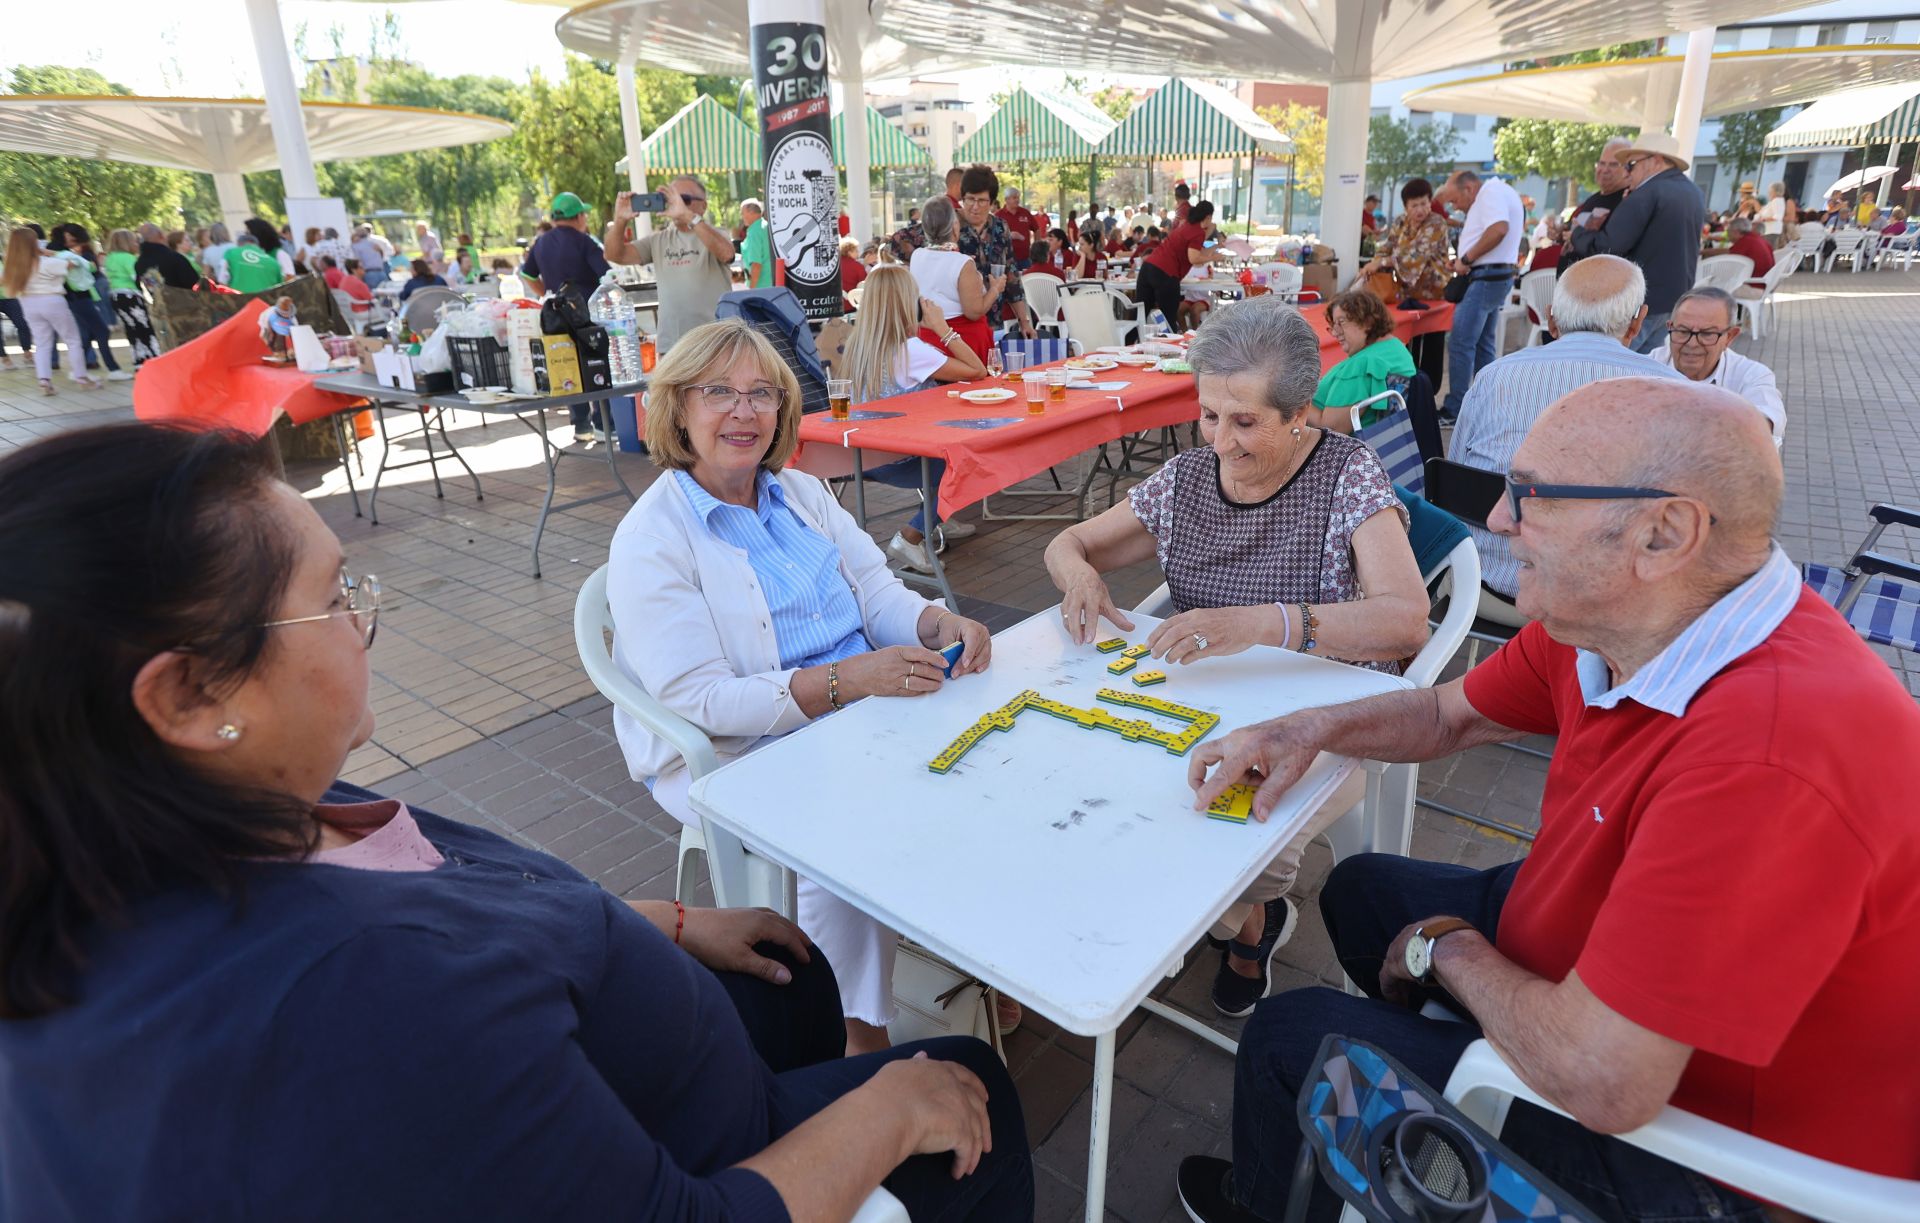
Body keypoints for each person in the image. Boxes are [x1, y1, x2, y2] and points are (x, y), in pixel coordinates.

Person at [0, 421, 1033, 1223]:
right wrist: (887, 1111)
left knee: (793, 969)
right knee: (969, 1079)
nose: (366, 617)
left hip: (642, 1052)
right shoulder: (348, 994)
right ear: (186, 696)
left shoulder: (202, 815)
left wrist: (669, 923)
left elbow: (450, 903)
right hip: (694, 1152)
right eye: (335, 595)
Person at [1174, 377, 1920, 1223]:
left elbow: (1604, 1080)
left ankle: (1302, 1185)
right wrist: (1304, 729)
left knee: (1287, 1040)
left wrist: (1447, 952)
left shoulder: (1771, 754)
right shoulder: (1630, 615)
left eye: (1531, 495)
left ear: (1663, 533)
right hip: (1595, 962)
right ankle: (1430, 1085)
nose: (1497, 518)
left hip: (1718, 1161)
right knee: (1362, 890)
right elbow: (1445, 715)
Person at [609, 319, 1002, 1053]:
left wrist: (935, 623)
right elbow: (702, 701)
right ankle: (854, 1035)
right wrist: (846, 681)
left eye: (762, 393)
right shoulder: (651, 538)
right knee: (842, 839)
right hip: (743, 744)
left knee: (991, 761)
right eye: (719, 392)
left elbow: (876, 592)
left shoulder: (799, 492)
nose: (744, 411)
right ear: (677, 407)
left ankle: (974, 953)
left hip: (860, 707)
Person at [1043, 296, 1429, 1017]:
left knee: (1235, 837)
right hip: (1203, 699)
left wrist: (1263, 623)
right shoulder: (1186, 479)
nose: (1221, 441)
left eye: (1245, 422)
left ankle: (1241, 918)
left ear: (1300, 413)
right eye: (1209, 415)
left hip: (1325, 714)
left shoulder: (1347, 473)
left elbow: (1408, 620)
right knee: (1096, 790)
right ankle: (1247, 923)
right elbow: (1069, 543)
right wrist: (1080, 578)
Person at [1449, 255, 1683, 604]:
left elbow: (1457, 478)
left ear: (1552, 320)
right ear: (1637, 323)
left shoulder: (1495, 377)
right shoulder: (1675, 392)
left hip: (1487, 588)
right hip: (1612, 600)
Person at [839, 265, 988, 572]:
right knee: (965, 463)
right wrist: (943, 328)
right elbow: (977, 371)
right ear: (907, 303)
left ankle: (939, 517)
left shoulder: (860, 345)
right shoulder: (910, 351)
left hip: (861, 456)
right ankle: (913, 535)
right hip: (899, 459)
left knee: (944, 455)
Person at [1567, 133, 1705, 354]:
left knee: (1611, 361)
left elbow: (1608, 248)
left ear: (1655, 160)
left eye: (1631, 165)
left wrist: (1577, 234)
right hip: (1674, 299)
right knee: (1643, 365)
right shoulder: (1692, 191)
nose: (1626, 172)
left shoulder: (1647, 193)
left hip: (1640, 301)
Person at [606, 178, 736, 356]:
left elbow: (727, 254)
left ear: (703, 206)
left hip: (715, 343)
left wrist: (689, 217)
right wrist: (620, 220)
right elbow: (614, 254)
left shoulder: (716, 234)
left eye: (684, 199)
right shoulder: (659, 239)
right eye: (669, 198)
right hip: (672, 347)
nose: (676, 204)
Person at [1435, 169, 1525, 419]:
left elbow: (1498, 229)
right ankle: (1485, 403)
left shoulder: (1489, 193)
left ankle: (1456, 409)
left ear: (1469, 189)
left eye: (1455, 200)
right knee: (1484, 344)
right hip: (1493, 276)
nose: (1455, 207)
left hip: (1486, 278)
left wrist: (1466, 258)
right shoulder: (1499, 191)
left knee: (1461, 342)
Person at [1648, 286, 1784, 438]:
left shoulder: (1751, 375)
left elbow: (1768, 420)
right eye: (1683, 331)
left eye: (1707, 334)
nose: (1692, 343)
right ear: (1670, 327)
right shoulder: (1646, 369)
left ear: (1730, 337)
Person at [1359, 176, 1451, 389]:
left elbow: (1415, 255)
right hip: (1405, 296)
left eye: (1424, 203)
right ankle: (1407, 391)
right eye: (1414, 205)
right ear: (1405, 207)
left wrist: (1382, 262)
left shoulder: (1437, 223)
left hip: (1434, 295)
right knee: (1406, 344)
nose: (1420, 210)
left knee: (1432, 346)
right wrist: (1374, 262)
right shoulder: (1400, 222)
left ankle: (1429, 393)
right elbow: (1386, 247)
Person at [3, 227, 97, 394]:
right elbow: (77, 263)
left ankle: (44, 380)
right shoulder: (47, 262)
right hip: (52, 300)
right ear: (33, 243)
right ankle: (82, 378)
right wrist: (51, 252)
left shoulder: (12, 268)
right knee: (72, 340)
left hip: (28, 303)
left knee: (41, 343)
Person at [1307, 289, 1415, 434]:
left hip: (1346, 445)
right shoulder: (1396, 347)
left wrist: (1294, 402)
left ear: (1368, 322)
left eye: (1341, 322)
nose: (1335, 332)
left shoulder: (1363, 365)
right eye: (1333, 325)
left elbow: (1332, 430)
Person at [909, 195, 997, 364]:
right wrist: (995, 290)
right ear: (954, 225)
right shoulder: (962, 262)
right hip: (962, 343)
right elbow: (974, 312)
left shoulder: (917, 255)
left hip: (927, 339)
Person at [955, 165, 1037, 340]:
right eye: (970, 199)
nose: (975, 207)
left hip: (993, 324)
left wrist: (1024, 321)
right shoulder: (949, 224)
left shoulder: (1000, 227)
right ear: (963, 198)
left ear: (992, 202)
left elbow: (1012, 276)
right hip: (956, 327)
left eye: (982, 201)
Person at [51, 224, 125, 381]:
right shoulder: (65, 254)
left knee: (88, 334)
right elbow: (89, 267)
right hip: (78, 297)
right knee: (101, 331)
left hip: (77, 297)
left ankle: (79, 369)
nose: (70, 239)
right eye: (68, 236)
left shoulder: (66, 252)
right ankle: (112, 369)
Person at [1136, 198, 1220, 330]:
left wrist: (1214, 242)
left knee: (1139, 316)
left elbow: (1198, 249)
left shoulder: (1186, 225)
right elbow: (1194, 258)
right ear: (1208, 217)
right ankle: (1170, 342)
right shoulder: (1197, 232)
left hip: (1148, 267)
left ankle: (1128, 341)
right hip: (1166, 273)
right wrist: (1215, 257)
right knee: (1169, 320)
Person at [1556, 138, 1631, 275]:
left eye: (1613, 165)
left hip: (1599, 280)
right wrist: (1560, 232)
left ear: (1627, 169)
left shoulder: (1627, 201)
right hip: (1572, 278)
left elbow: (1610, 244)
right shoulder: (1593, 199)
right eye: (1601, 163)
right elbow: (1573, 231)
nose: (1604, 170)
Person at [102, 229, 158, 366]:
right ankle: (153, 357)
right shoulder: (128, 258)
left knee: (131, 329)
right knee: (144, 328)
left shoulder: (110, 258)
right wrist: (154, 286)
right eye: (134, 241)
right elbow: (137, 277)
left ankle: (139, 360)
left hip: (116, 296)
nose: (137, 243)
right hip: (130, 296)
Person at [1703, 214, 1774, 292]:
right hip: (1763, 283)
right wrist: (1702, 252)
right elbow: (1728, 251)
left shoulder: (1746, 241)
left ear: (1736, 232)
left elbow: (1728, 267)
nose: (1728, 235)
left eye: (1728, 231)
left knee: (1707, 286)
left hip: (1753, 286)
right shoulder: (1755, 238)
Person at [135, 221, 199, 290]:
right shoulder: (175, 258)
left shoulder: (139, 263)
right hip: (179, 296)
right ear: (161, 235)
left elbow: (140, 285)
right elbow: (194, 284)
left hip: (152, 296)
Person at [996, 186, 1035, 266]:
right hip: (1006, 259)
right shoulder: (998, 215)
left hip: (1025, 258)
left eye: (1018, 197)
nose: (1017, 200)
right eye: (1014, 198)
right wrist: (1009, 235)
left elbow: (1036, 229)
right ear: (1006, 199)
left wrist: (1036, 246)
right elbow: (993, 235)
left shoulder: (1025, 213)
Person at [739, 197, 773, 289]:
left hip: (760, 288)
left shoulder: (754, 232)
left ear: (751, 212)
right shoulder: (766, 226)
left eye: (742, 213)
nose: (742, 216)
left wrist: (751, 291)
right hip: (771, 285)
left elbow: (756, 265)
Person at [349, 226, 388, 290]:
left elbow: (357, 262)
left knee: (373, 294)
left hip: (369, 274)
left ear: (356, 235)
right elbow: (381, 255)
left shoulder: (355, 246)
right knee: (385, 293)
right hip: (382, 272)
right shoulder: (374, 244)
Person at [1758, 181, 1789, 248]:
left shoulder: (1777, 201)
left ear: (1775, 191)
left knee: (1766, 249)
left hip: (1771, 231)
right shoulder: (1776, 201)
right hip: (1770, 230)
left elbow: (1777, 216)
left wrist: (1763, 219)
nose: (1768, 192)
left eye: (1770, 190)